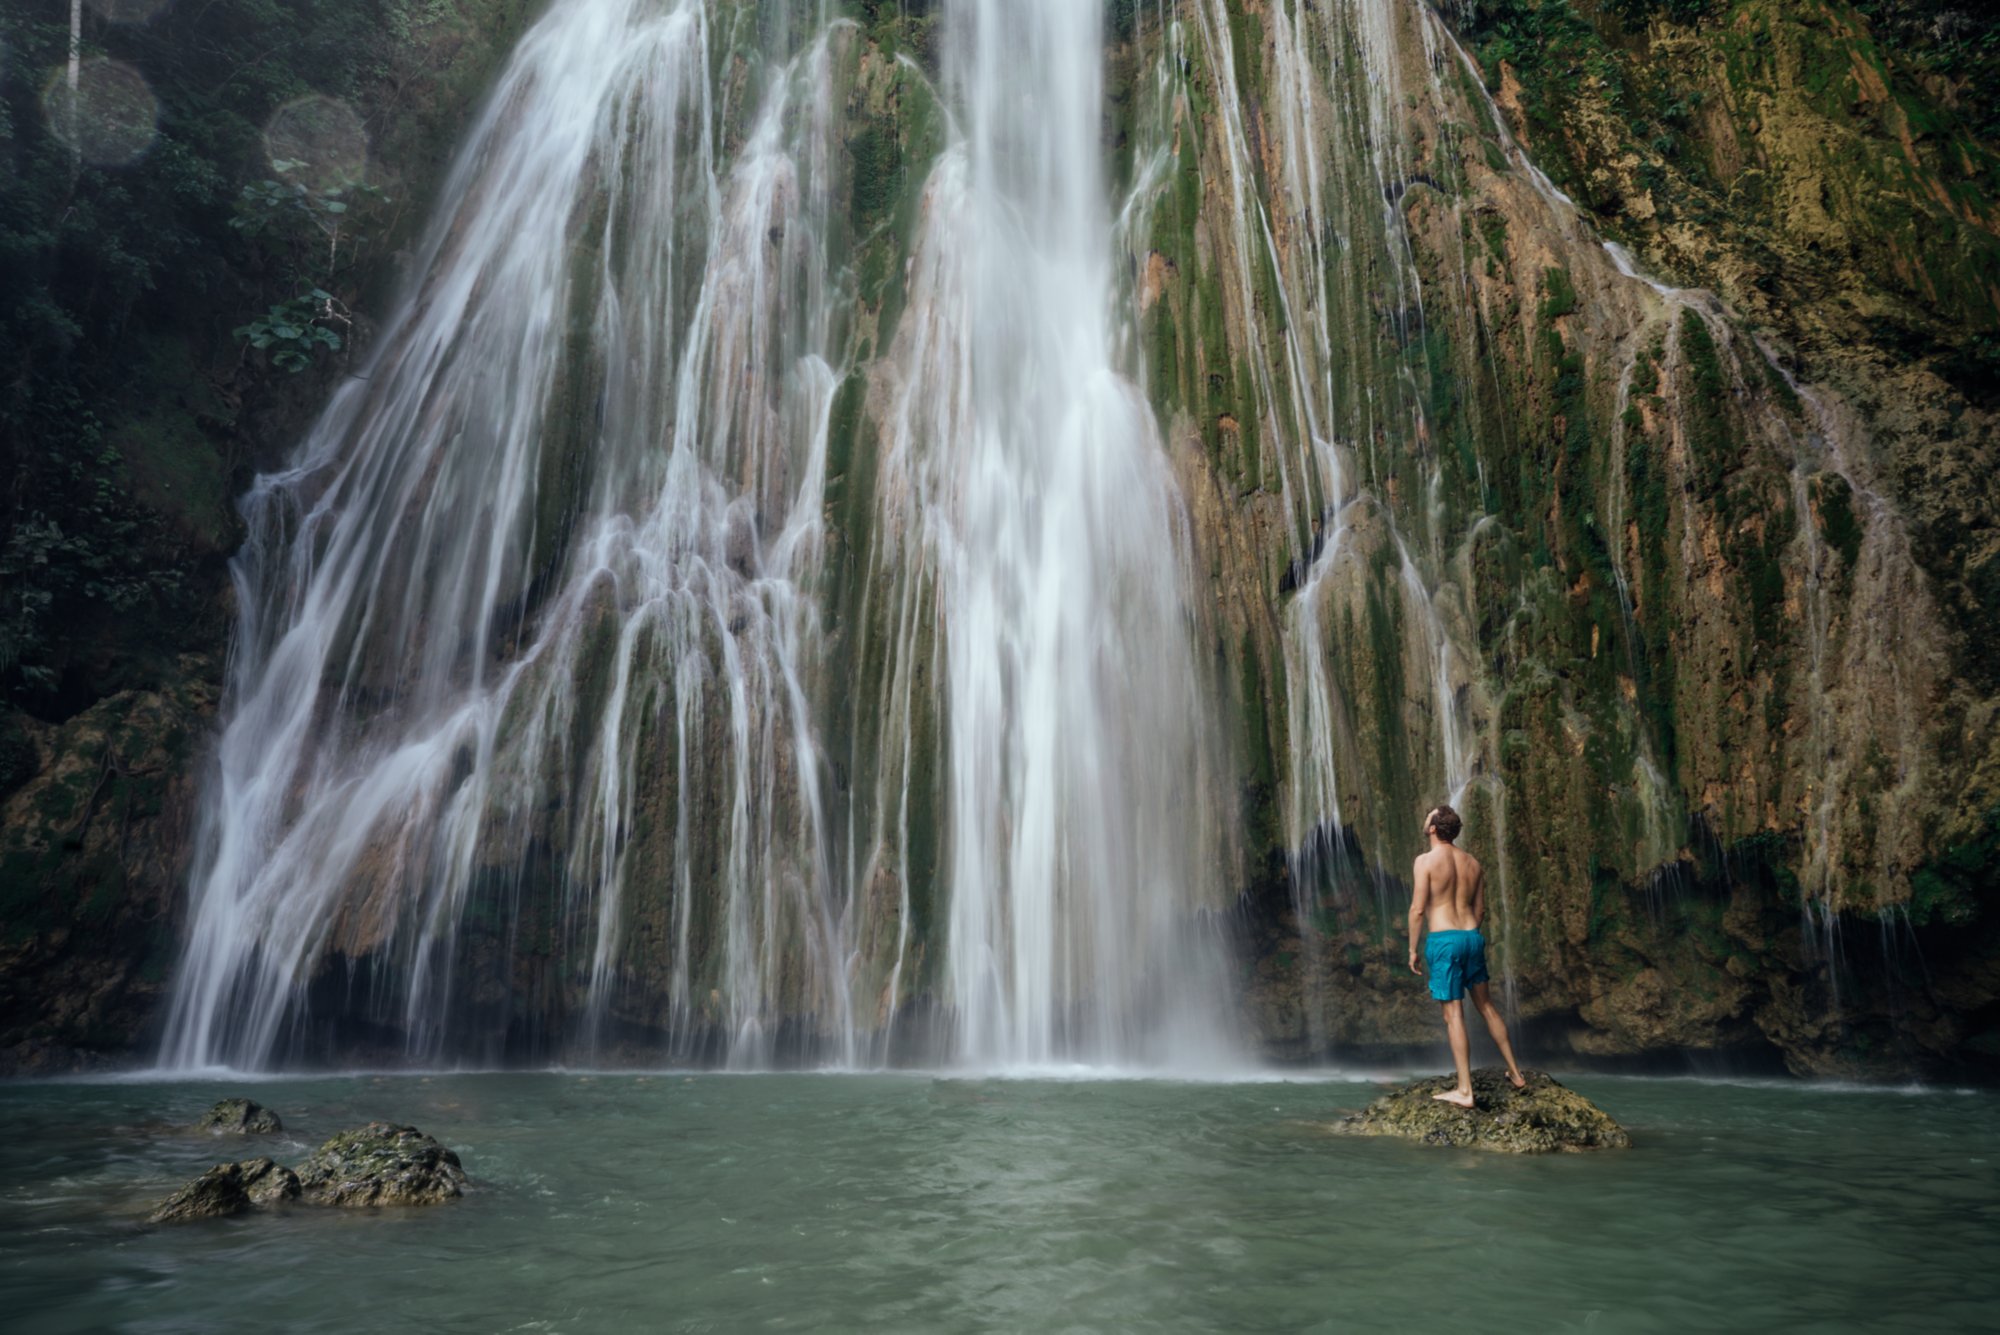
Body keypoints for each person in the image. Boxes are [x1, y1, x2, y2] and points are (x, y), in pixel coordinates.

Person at [1406, 803, 1525, 1108]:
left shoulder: (1425, 861)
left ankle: (1464, 1090)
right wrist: (1468, 937)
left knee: (1454, 1014)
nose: (1425, 818)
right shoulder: (1473, 863)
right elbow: (1481, 909)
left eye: (1428, 815)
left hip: (1445, 939)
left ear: (1433, 827)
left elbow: (1418, 909)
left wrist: (1412, 949)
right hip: (1472, 936)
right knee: (1486, 1006)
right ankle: (1516, 1073)